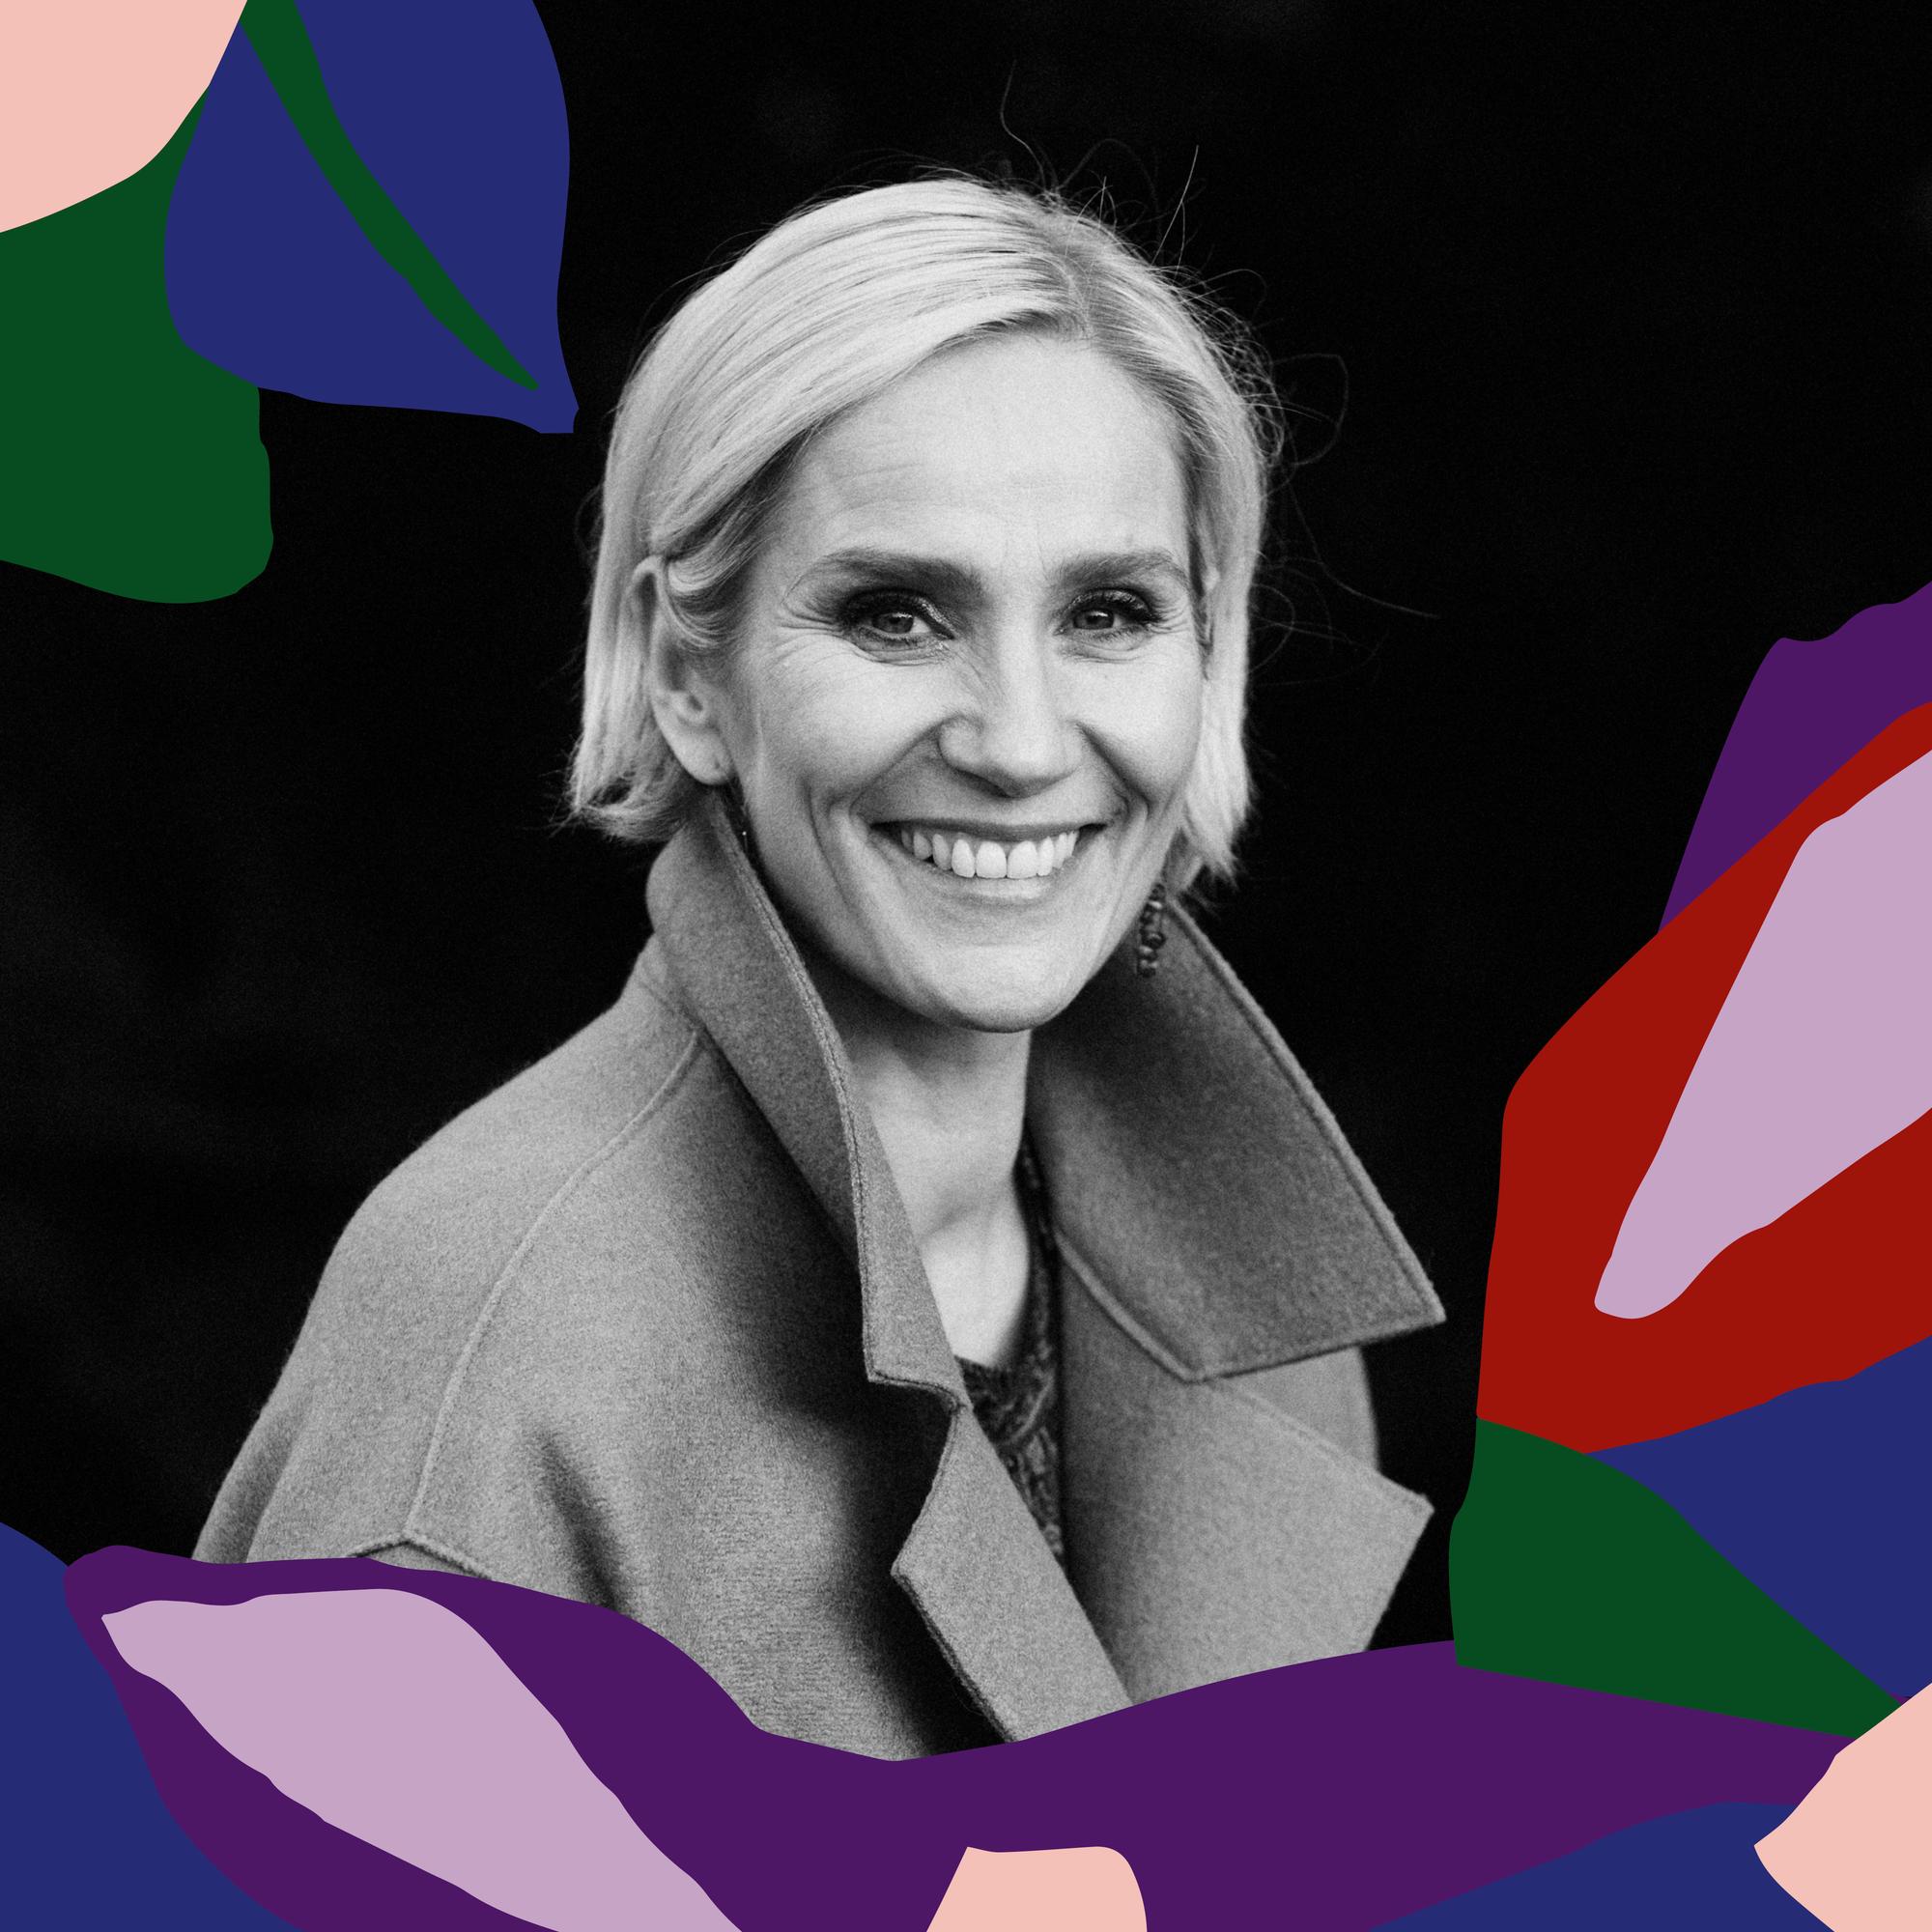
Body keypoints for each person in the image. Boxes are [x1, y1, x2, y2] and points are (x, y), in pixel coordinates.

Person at [196, 174, 1445, 1758]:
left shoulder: (1250, 1283)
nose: (1020, 742)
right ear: (689, 676)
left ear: (1210, 652)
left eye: (1110, 611)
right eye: (897, 615)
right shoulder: (490, 1351)